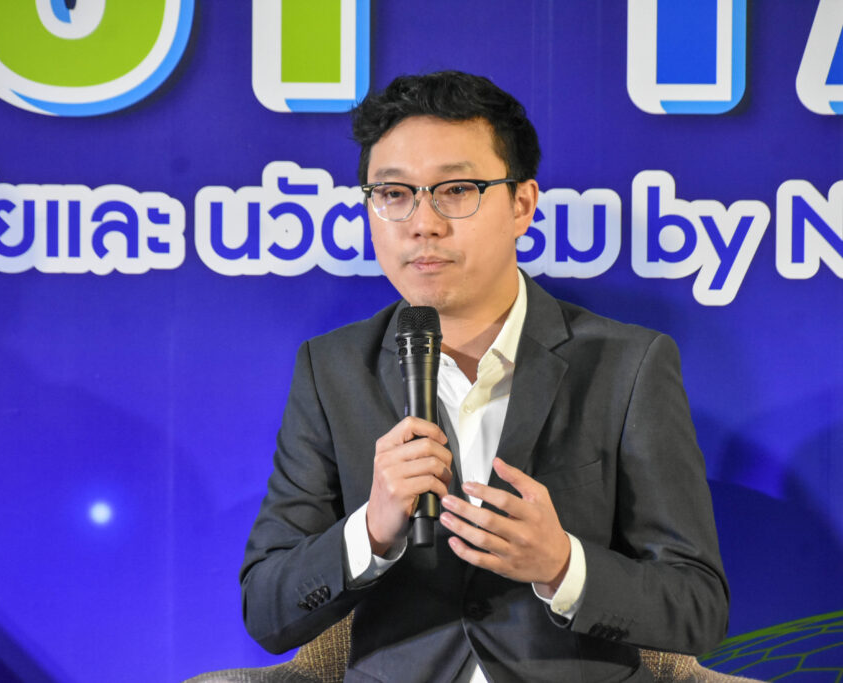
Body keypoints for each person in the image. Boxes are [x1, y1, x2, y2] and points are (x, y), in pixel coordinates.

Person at [240, 70, 729, 682]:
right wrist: (370, 529)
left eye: (456, 190)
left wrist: (563, 565)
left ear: (522, 205)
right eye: (393, 193)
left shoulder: (627, 365)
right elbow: (266, 610)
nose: (422, 223)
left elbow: (698, 607)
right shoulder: (331, 369)